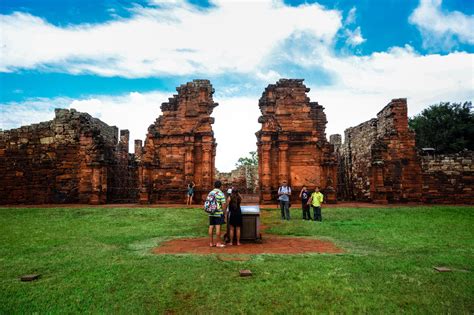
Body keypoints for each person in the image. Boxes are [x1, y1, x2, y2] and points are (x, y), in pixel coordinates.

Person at [207, 180, 227, 247]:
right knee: (218, 227)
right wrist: (224, 213)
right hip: (218, 212)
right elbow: (223, 204)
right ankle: (218, 243)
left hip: (211, 212)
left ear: (214, 186)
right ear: (221, 186)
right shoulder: (221, 193)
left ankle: (211, 243)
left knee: (211, 227)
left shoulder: (210, 193)